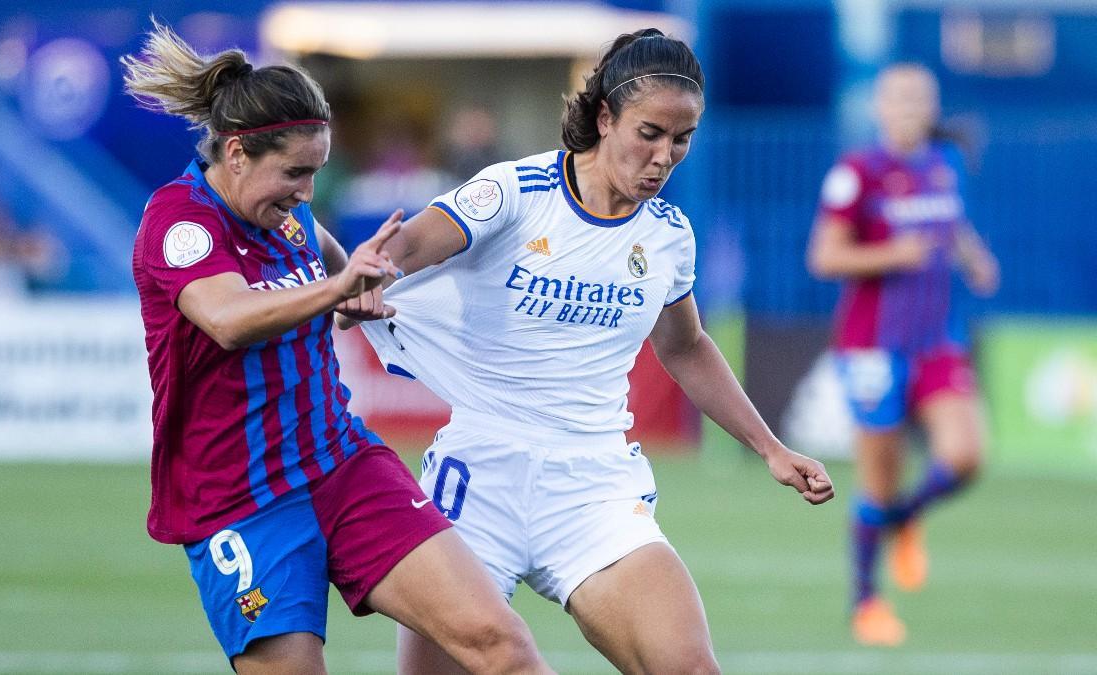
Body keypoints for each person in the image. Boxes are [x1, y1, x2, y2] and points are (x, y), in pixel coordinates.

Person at [351, 29, 836, 674]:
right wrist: (367, 277)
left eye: (681, 139)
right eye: (650, 133)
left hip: (594, 488)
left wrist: (770, 447)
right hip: (480, 476)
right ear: (605, 117)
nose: (665, 156)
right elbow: (409, 249)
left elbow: (686, 347)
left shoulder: (668, 236)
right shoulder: (515, 192)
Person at [121, 22, 551, 674]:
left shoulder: (287, 215)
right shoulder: (180, 222)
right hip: (241, 501)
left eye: (317, 172)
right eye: (294, 172)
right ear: (236, 154)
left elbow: (327, 259)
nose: (306, 191)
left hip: (341, 465)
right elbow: (229, 319)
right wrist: (338, 288)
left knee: (500, 643)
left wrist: (353, 286)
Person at [806, 62, 999, 647]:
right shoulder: (856, 173)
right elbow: (824, 259)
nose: (911, 106)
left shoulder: (944, 167)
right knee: (878, 485)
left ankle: (907, 518)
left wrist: (974, 257)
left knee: (965, 456)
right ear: (880, 108)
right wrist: (895, 256)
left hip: (936, 341)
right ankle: (866, 602)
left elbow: (952, 224)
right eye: (900, 97)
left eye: (921, 96)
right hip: (871, 349)